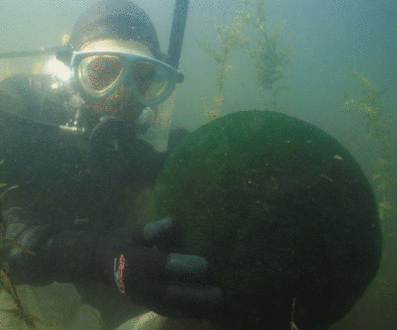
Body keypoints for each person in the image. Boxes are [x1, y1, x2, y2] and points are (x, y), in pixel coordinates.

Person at [0, 0, 222, 329]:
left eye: (143, 75)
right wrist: (88, 257)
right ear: (71, 67)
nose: (121, 94)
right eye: (102, 71)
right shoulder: (18, 111)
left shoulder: (148, 142)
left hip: (103, 277)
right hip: (28, 278)